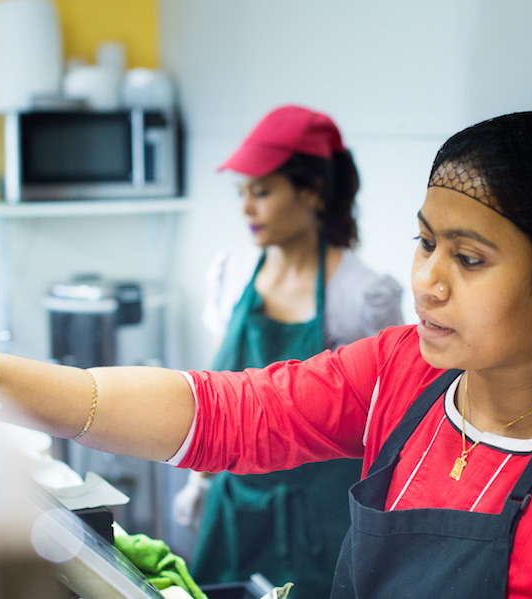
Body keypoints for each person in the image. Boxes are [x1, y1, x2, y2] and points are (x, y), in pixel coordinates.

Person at [0, 111, 532, 598]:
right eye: (426, 242)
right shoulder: (404, 370)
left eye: (467, 258)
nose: (426, 282)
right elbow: (228, 411)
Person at [171, 105, 403, 598]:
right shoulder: (232, 273)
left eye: (261, 192)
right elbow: (220, 388)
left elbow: (387, 424)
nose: (245, 209)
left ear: (311, 191)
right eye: (241, 193)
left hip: (320, 521)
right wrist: (200, 482)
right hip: (238, 506)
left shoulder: (360, 294)